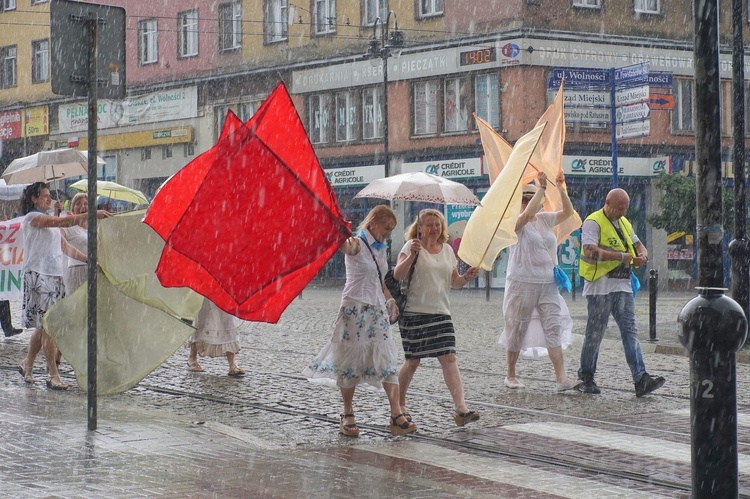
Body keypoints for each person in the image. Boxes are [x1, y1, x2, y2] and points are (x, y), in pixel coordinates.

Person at [303, 205, 416, 437]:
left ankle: (395, 413)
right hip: (354, 308)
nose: (388, 233)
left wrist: (390, 299)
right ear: (373, 222)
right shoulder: (356, 243)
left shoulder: (381, 248)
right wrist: (338, 231)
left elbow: (380, 279)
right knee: (351, 361)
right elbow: (345, 246)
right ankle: (347, 413)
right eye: (386, 228)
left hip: (377, 310)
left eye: (392, 229)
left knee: (387, 358)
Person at [17, 182, 111, 390]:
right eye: (44, 196)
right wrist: (90, 214)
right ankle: (53, 374)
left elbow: (65, 247)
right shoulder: (32, 218)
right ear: (34, 199)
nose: (49, 199)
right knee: (50, 326)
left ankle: (28, 364)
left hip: (55, 276)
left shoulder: (53, 222)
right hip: (39, 275)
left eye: (49, 195)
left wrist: (89, 259)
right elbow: (64, 223)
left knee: (45, 326)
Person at [393, 209, 481, 426]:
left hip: (441, 312)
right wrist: (412, 254)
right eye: (429, 224)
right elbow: (397, 275)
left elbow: (455, 282)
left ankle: (461, 409)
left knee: (449, 357)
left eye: (438, 224)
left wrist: (466, 278)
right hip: (414, 312)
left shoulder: (448, 251)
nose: (434, 228)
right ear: (419, 228)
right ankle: (399, 404)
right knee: (413, 361)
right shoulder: (410, 247)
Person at [577, 187, 665, 397]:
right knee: (595, 334)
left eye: (625, 208)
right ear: (607, 203)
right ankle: (586, 377)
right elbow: (590, 251)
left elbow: (638, 244)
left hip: (622, 287)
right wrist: (620, 257)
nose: (623, 212)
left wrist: (642, 254)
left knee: (630, 332)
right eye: (619, 208)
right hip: (600, 288)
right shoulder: (593, 221)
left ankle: (640, 379)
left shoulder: (624, 222)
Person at [500, 171, 580, 392]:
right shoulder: (514, 222)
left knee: (553, 325)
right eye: (525, 199)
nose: (528, 202)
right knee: (517, 327)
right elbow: (525, 217)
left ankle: (561, 378)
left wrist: (561, 188)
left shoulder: (545, 220)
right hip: (521, 282)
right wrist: (542, 189)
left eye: (531, 198)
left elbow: (569, 212)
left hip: (547, 283)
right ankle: (510, 374)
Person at [187, 298, 246, 377]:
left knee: (228, 319)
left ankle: (232, 364)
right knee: (203, 318)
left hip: (224, 289)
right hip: (207, 288)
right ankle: (192, 357)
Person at [62, 193, 88, 293]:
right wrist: (86, 259)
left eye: (85, 204)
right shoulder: (68, 226)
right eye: (78, 204)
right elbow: (61, 243)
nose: (83, 207)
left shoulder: (96, 226)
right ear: (73, 208)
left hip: (94, 270)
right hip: (77, 270)